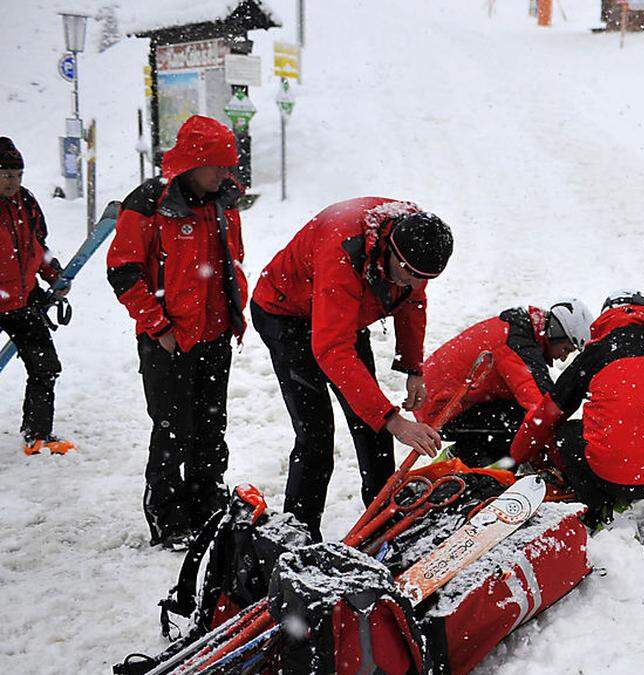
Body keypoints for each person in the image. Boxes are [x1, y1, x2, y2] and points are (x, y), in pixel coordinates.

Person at [251, 197, 452, 540]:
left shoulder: (417, 243)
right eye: (408, 274)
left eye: (424, 278)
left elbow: (412, 300)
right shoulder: (343, 250)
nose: (413, 284)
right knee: (316, 434)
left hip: (345, 312)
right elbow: (332, 349)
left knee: (371, 427)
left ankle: (384, 521)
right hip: (286, 314)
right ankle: (298, 536)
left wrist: (412, 366)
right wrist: (392, 418)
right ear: (390, 251)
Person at [107, 115, 247, 549]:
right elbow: (123, 271)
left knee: (210, 426)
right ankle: (169, 518)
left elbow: (232, 261)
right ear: (192, 163)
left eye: (228, 166)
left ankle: (207, 503)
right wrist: (157, 325)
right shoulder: (149, 203)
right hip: (168, 340)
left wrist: (233, 317)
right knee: (172, 429)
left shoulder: (223, 199)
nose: (226, 173)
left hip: (214, 335)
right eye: (218, 166)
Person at [509, 291, 644, 527]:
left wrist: (513, 459)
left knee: (567, 432)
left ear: (606, 318)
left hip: (615, 479)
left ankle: (602, 510)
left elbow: (547, 415)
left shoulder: (594, 355)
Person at [417, 299, 593, 468]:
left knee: (519, 421)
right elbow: (541, 408)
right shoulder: (518, 346)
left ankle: (466, 458)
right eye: (566, 349)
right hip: (441, 411)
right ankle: (460, 463)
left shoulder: (520, 330)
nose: (563, 357)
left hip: (437, 400)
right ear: (555, 333)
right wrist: (564, 457)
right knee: (524, 427)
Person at [0, 136, 73, 456]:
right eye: (4, 174)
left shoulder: (26, 203)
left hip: (23, 302)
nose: (11, 181)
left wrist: (53, 274)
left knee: (46, 367)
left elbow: (37, 246)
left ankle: (38, 434)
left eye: (16, 175)